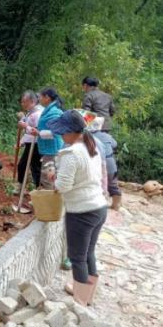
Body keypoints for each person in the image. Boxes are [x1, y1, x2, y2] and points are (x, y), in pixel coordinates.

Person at [47, 110, 107, 306]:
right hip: (99, 207)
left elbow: (63, 186)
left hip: (82, 212)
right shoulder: (92, 148)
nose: (61, 136)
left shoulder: (72, 153)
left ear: (72, 132)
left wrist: (53, 179)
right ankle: (87, 293)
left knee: (77, 257)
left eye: (63, 132)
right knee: (89, 252)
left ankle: (80, 302)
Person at [33, 87, 64, 190]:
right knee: (49, 177)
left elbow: (55, 132)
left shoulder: (55, 112)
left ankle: (48, 203)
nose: (39, 99)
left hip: (52, 150)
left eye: (40, 97)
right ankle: (48, 201)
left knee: (48, 178)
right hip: (48, 148)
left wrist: (39, 133)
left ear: (47, 98)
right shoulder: (49, 110)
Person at [88, 116, 121, 210]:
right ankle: (116, 204)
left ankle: (96, 205)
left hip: (97, 164)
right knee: (113, 184)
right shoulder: (107, 136)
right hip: (110, 164)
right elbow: (115, 144)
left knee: (96, 184)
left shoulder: (88, 137)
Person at [17, 91, 43, 188]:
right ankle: (21, 185)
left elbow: (36, 130)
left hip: (35, 144)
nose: (22, 104)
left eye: (25, 102)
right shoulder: (30, 112)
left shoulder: (38, 113)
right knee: (23, 165)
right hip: (30, 143)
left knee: (35, 166)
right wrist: (22, 141)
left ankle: (38, 189)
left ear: (32, 101)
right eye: (22, 102)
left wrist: (25, 126)